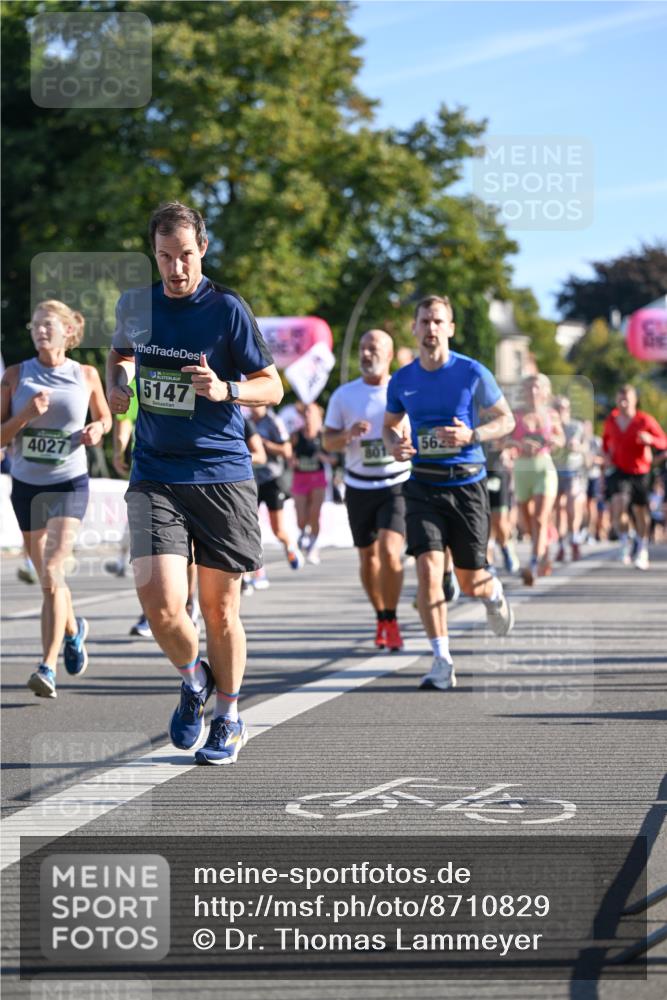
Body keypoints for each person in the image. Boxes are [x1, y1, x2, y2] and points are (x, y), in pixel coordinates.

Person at [106, 201, 282, 764]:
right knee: (159, 601)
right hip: (155, 469)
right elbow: (120, 356)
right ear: (153, 255)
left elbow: (271, 386)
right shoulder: (137, 305)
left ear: (202, 248)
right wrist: (119, 385)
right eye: (164, 257)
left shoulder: (227, 309)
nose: (176, 268)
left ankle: (228, 718)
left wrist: (226, 389)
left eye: (185, 255)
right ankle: (193, 677)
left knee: (220, 610)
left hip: (220, 474)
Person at [383, 295, 516, 691]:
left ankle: (491, 593)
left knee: (470, 578)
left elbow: (506, 420)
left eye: (438, 321)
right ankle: (442, 660)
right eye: (424, 321)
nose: (431, 328)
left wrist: (472, 434)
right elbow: (390, 425)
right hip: (422, 482)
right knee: (426, 568)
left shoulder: (473, 372)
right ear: (415, 327)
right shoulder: (403, 379)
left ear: (450, 328)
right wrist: (394, 443)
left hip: (466, 483)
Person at [1, 300, 111, 698]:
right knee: (51, 580)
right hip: (27, 486)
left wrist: (98, 430)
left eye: (48, 325)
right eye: (35, 325)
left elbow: (105, 417)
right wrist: (24, 415)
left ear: (68, 331)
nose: (40, 331)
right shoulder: (15, 376)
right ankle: (74, 629)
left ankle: (46, 667)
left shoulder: (86, 374)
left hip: (69, 483)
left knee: (51, 569)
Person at [323, 329, 411, 650]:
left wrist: (408, 443)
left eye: (373, 349)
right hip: (359, 485)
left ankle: (392, 616)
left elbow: (416, 432)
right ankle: (381, 617)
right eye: (362, 348)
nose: (366, 354)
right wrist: (347, 435)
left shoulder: (402, 391)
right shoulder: (344, 395)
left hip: (396, 482)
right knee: (368, 558)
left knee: (390, 552)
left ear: (389, 355)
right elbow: (327, 441)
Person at [602, 384, 667, 570]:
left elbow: (663, 440)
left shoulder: (644, 420)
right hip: (618, 469)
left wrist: (651, 440)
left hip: (640, 471)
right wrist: (606, 455)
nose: (622, 403)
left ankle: (642, 548)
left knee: (640, 511)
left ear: (634, 400)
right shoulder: (611, 420)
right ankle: (625, 542)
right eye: (620, 399)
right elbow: (606, 441)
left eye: (626, 399)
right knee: (619, 503)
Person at [509, 374, 564, 585]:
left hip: (544, 468)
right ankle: (544, 552)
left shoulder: (551, 415)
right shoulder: (516, 415)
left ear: (544, 391)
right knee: (528, 521)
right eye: (529, 387)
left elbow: (561, 439)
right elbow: (503, 441)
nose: (533, 392)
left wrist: (551, 440)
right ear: (523, 391)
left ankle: (532, 563)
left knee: (541, 518)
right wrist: (518, 444)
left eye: (537, 387)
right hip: (522, 469)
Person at [249, 404, 304, 591]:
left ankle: (290, 546)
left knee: (277, 529)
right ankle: (257, 573)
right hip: (251, 480)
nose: (254, 407)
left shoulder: (274, 421)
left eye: (257, 404)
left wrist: (265, 445)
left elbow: (287, 451)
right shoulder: (246, 421)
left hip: (273, 479)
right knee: (249, 528)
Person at [290, 402, 333, 565]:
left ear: (318, 416)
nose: (308, 416)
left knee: (315, 514)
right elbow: (289, 454)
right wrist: (291, 460)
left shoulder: (323, 436)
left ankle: (314, 546)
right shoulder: (296, 435)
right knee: (301, 517)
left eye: (311, 413)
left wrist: (323, 457)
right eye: (306, 413)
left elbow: (335, 459)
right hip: (300, 478)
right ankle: (303, 533)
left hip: (317, 478)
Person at [551, 396, 588, 562]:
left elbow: (587, 447)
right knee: (559, 508)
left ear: (569, 410)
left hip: (573, 470)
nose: (560, 411)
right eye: (558, 408)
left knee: (572, 505)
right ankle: (561, 544)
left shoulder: (576, 426)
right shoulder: (550, 426)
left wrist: (577, 446)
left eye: (563, 408)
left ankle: (575, 539)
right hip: (555, 470)